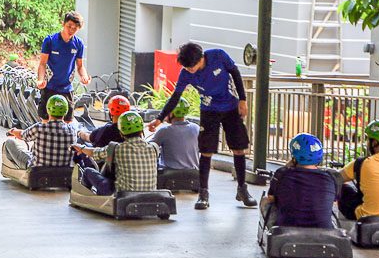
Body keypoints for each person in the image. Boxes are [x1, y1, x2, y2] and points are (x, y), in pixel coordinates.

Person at [146, 42, 256, 210]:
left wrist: (242, 99)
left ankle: (242, 188)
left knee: (239, 148)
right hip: (209, 110)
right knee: (206, 151)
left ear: (201, 58)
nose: (190, 69)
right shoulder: (186, 74)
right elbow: (175, 97)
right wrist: (160, 118)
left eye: (193, 66)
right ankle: (203, 193)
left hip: (231, 107)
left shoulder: (218, 56)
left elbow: (235, 72)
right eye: (187, 67)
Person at [259, 133, 338, 229]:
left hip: (286, 232)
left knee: (265, 201)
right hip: (323, 232)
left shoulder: (282, 174)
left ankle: (270, 234)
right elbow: (333, 202)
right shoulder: (329, 178)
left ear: (294, 156)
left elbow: (271, 198)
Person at [72, 111, 160, 195]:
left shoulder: (116, 148)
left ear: (121, 132)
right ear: (141, 131)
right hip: (149, 194)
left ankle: (85, 197)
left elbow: (94, 153)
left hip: (121, 195)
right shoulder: (154, 148)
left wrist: (82, 148)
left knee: (88, 171)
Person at [36, 11, 91, 121]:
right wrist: (40, 80)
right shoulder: (50, 41)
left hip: (67, 88)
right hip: (50, 87)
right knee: (46, 120)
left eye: (75, 28)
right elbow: (42, 63)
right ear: (63, 24)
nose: (71, 30)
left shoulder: (79, 43)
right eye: (69, 26)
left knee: (67, 121)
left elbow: (80, 66)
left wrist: (84, 77)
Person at [3, 95, 75, 170]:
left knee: (10, 142)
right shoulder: (72, 130)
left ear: (48, 110)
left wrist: (12, 131)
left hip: (37, 170)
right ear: (66, 111)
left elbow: (22, 135)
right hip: (63, 171)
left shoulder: (39, 128)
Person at [150, 99, 200, 172]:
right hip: (194, 175)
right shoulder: (196, 128)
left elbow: (149, 148)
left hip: (169, 177)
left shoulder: (164, 131)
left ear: (171, 113)